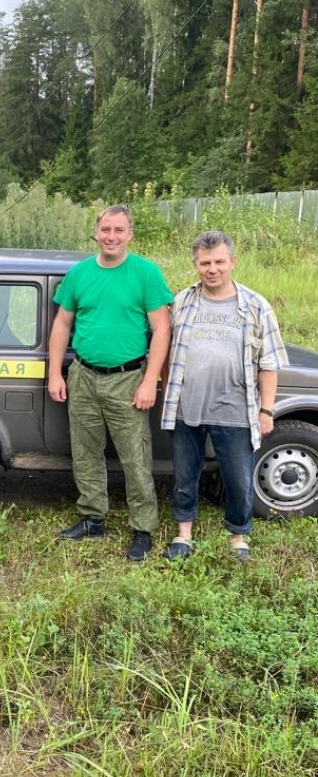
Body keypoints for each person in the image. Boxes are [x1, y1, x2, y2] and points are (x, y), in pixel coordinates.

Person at [47, 205, 173, 561]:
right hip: (83, 376)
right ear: (96, 232)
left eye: (119, 230)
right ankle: (92, 518)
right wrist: (56, 372)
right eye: (105, 229)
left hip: (129, 378)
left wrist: (150, 381)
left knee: (135, 457)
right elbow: (62, 324)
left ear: (130, 234)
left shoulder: (145, 273)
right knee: (85, 452)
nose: (111, 236)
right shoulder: (79, 274)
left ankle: (143, 529)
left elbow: (162, 328)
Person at [160, 230, 287, 562]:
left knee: (239, 478)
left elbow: (269, 363)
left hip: (235, 409)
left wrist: (267, 410)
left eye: (218, 261)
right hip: (187, 407)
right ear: (196, 265)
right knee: (185, 474)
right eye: (204, 263)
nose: (211, 269)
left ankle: (238, 536)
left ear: (233, 261)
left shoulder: (256, 306)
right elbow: (165, 349)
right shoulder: (182, 301)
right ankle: (183, 535)